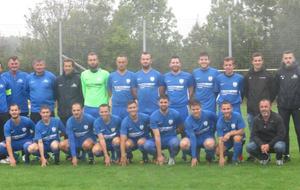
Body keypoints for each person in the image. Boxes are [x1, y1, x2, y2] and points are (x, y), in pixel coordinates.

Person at [244, 52, 275, 161]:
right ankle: (254, 155)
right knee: (253, 133)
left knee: (265, 133)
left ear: (262, 61)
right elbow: (246, 92)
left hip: (265, 112)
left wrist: (267, 105)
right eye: (255, 60)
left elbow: (273, 92)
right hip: (251, 111)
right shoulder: (248, 76)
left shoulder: (268, 75)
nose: (257, 62)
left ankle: (267, 154)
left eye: (259, 60)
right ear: (252, 62)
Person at [274, 50, 300, 162]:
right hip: (283, 106)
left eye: (290, 58)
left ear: (293, 59)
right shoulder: (279, 72)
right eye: (286, 58)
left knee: (299, 130)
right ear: (283, 59)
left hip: (297, 106)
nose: (288, 60)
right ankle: (286, 155)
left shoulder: (298, 71)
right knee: (284, 131)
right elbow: (275, 88)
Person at [144, 95, 182, 165]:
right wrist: (159, 155)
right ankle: (160, 156)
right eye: (161, 102)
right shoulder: (153, 116)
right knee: (147, 145)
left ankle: (171, 157)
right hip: (158, 138)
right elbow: (157, 136)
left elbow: (181, 128)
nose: (163, 104)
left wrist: (174, 133)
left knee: (176, 142)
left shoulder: (176, 114)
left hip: (171, 138)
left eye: (165, 102)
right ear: (158, 103)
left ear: (169, 103)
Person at [246, 99, 286, 166]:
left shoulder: (277, 118)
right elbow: (254, 135)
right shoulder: (256, 119)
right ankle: (264, 158)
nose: (264, 109)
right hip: (262, 145)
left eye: (266, 106)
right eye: (262, 107)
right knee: (249, 147)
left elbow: (281, 135)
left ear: (270, 107)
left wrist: (269, 145)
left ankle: (279, 158)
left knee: (280, 146)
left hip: (275, 143)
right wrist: (261, 144)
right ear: (259, 108)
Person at [180, 100, 217, 167]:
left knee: (210, 144)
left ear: (201, 108)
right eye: (193, 109)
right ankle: (195, 156)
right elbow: (192, 138)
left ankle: (209, 157)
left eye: (197, 109)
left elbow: (218, 121)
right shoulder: (188, 121)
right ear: (190, 109)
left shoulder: (209, 114)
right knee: (183, 144)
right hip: (194, 138)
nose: (195, 111)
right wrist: (194, 157)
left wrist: (213, 132)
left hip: (206, 137)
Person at [162, 56, 193, 122]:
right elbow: (162, 92)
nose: (175, 64)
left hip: (183, 107)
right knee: (171, 128)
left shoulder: (188, 76)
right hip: (170, 108)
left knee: (184, 129)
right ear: (170, 64)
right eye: (173, 62)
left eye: (177, 62)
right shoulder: (165, 76)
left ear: (180, 64)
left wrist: (187, 100)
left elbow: (191, 90)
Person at [119, 101, 150, 166]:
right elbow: (122, 140)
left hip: (143, 140)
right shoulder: (125, 122)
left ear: (137, 108)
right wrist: (123, 155)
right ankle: (129, 157)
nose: (132, 109)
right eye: (130, 108)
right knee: (126, 144)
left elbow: (153, 128)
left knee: (141, 142)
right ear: (127, 109)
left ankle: (145, 157)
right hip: (132, 141)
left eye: (134, 107)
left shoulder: (146, 117)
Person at [55, 59, 83, 125]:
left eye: (69, 66)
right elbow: (56, 96)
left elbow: (82, 95)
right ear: (63, 67)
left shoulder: (79, 79)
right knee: (65, 134)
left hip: (76, 113)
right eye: (66, 66)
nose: (67, 68)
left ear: (73, 67)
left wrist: (81, 109)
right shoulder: (58, 80)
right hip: (63, 113)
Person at [216, 101, 245, 166]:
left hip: (239, 138)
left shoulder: (237, 115)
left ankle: (234, 160)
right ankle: (232, 155)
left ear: (231, 108)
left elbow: (242, 131)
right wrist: (221, 157)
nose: (226, 111)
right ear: (221, 110)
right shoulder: (219, 122)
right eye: (224, 109)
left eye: (228, 108)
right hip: (227, 141)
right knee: (217, 151)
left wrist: (230, 133)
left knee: (236, 138)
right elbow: (220, 140)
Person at [81, 52, 109, 118]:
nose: (92, 62)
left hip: (102, 107)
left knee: (101, 127)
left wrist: (106, 103)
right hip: (88, 106)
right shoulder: (83, 74)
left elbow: (108, 91)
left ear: (98, 61)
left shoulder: (105, 74)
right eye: (90, 60)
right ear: (88, 61)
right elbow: (84, 90)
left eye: (94, 60)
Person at [0, 71, 11, 142]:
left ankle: (4, 151)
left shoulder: (5, 80)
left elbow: (8, 95)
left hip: (4, 111)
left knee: (4, 132)